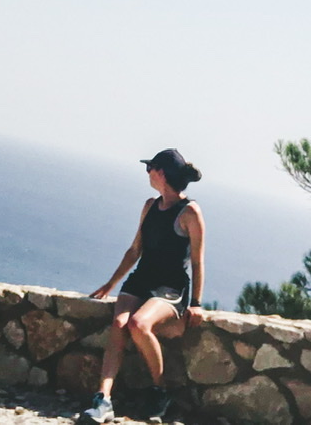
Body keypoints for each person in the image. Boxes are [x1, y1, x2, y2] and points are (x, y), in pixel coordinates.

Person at [77, 148, 205, 424]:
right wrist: (110, 284)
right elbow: (135, 251)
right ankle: (103, 400)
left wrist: (195, 304)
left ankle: (160, 391)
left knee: (138, 325)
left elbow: (197, 262)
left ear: (160, 173)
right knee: (119, 325)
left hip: (170, 288)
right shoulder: (149, 206)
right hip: (141, 279)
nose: (147, 173)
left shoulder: (190, 212)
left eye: (150, 168)